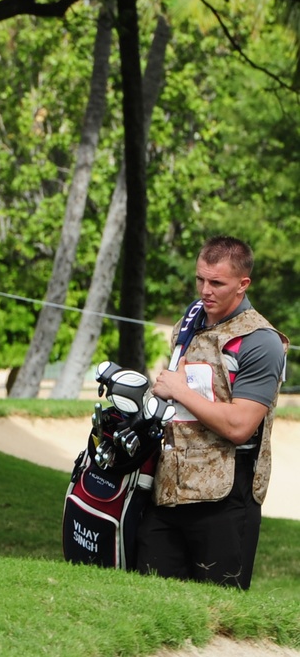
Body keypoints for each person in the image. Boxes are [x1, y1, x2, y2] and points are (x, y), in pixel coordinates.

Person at [137, 236, 289, 589]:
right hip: (169, 491)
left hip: (226, 499)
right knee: (152, 598)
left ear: (242, 284)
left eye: (216, 283)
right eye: (200, 280)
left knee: (218, 614)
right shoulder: (190, 323)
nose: (205, 290)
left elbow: (240, 426)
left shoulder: (260, 342)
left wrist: (180, 391)